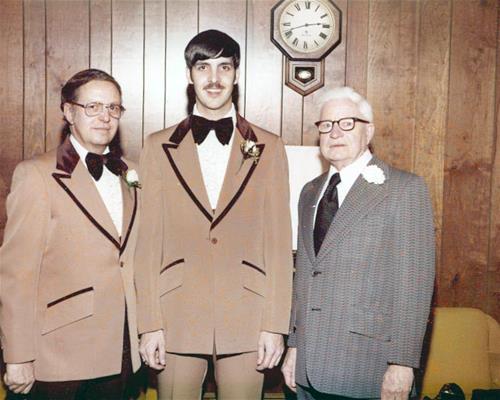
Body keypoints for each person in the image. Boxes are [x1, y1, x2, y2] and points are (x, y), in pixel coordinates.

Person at [134, 29, 293, 399]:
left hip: (248, 315)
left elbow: (278, 242)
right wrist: (149, 323)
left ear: (236, 74)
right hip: (175, 314)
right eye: (203, 67)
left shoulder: (269, 147)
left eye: (224, 67)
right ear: (189, 75)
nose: (214, 78)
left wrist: (275, 325)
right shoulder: (157, 146)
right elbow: (147, 242)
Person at [281, 86, 435, 400]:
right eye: (326, 125)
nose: (335, 132)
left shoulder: (403, 189)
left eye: (347, 123)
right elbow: (306, 275)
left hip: (367, 366)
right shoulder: (309, 192)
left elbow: (415, 285)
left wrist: (403, 363)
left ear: (369, 131)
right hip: (307, 368)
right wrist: (294, 345)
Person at [0, 69, 141, 399]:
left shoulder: (133, 173)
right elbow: (16, 275)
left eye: (113, 108)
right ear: (69, 112)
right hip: (58, 355)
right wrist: (17, 355)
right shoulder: (37, 175)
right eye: (93, 107)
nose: (105, 117)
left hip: (120, 349)